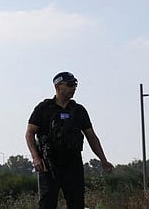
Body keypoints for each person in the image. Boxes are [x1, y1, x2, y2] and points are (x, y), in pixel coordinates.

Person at [25, 71, 114, 209]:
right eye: (70, 84)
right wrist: (36, 158)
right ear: (58, 86)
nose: (73, 88)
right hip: (49, 166)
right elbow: (29, 134)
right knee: (47, 204)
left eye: (75, 85)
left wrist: (103, 159)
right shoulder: (43, 108)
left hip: (73, 165)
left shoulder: (78, 110)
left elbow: (91, 136)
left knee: (77, 203)